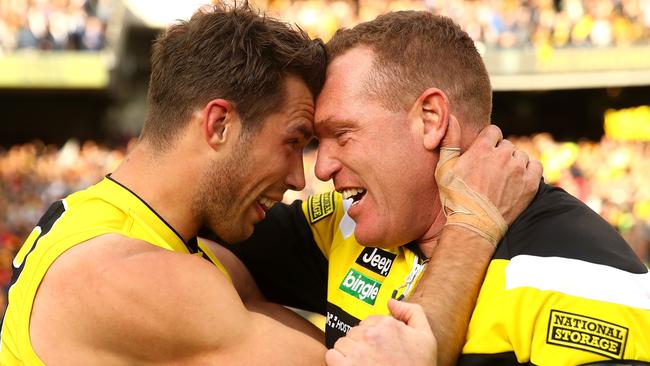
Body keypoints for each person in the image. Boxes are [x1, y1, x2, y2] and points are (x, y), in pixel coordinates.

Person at [0, 3, 537, 365]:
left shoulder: (122, 226)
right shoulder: (136, 280)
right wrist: (472, 225)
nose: (299, 178)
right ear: (219, 125)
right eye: (294, 140)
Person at [230, 11, 650, 366]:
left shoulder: (583, 278)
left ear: (431, 119)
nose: (321, 168)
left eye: (342, 134)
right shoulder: (339, 227)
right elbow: (191, 233)